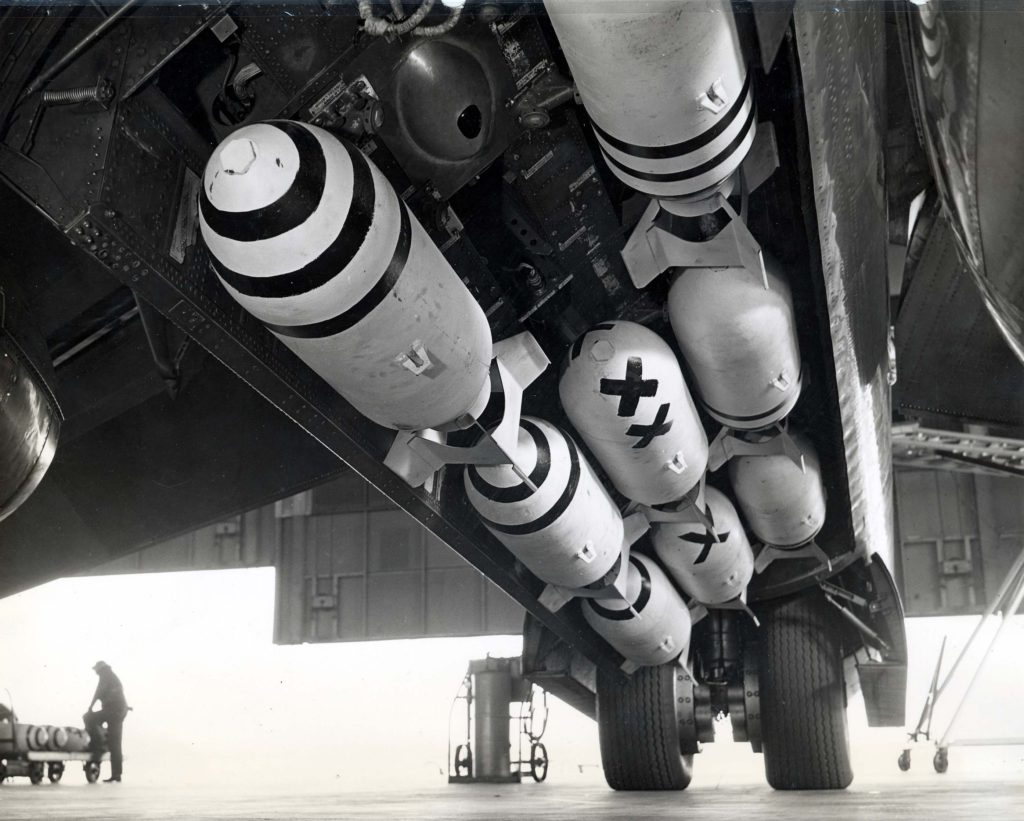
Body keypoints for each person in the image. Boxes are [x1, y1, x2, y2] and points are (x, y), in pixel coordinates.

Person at [83, 661, 129, 783]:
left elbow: (98, 693)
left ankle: (98, 742)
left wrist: (90, 708)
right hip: (118, 711)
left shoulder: (106, 676)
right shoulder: (110, 676)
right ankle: (117, 774)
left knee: (88, 718)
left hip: (114, 711)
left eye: (96, 670)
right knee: (115, 744)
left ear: (100, 669)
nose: (96, 672)